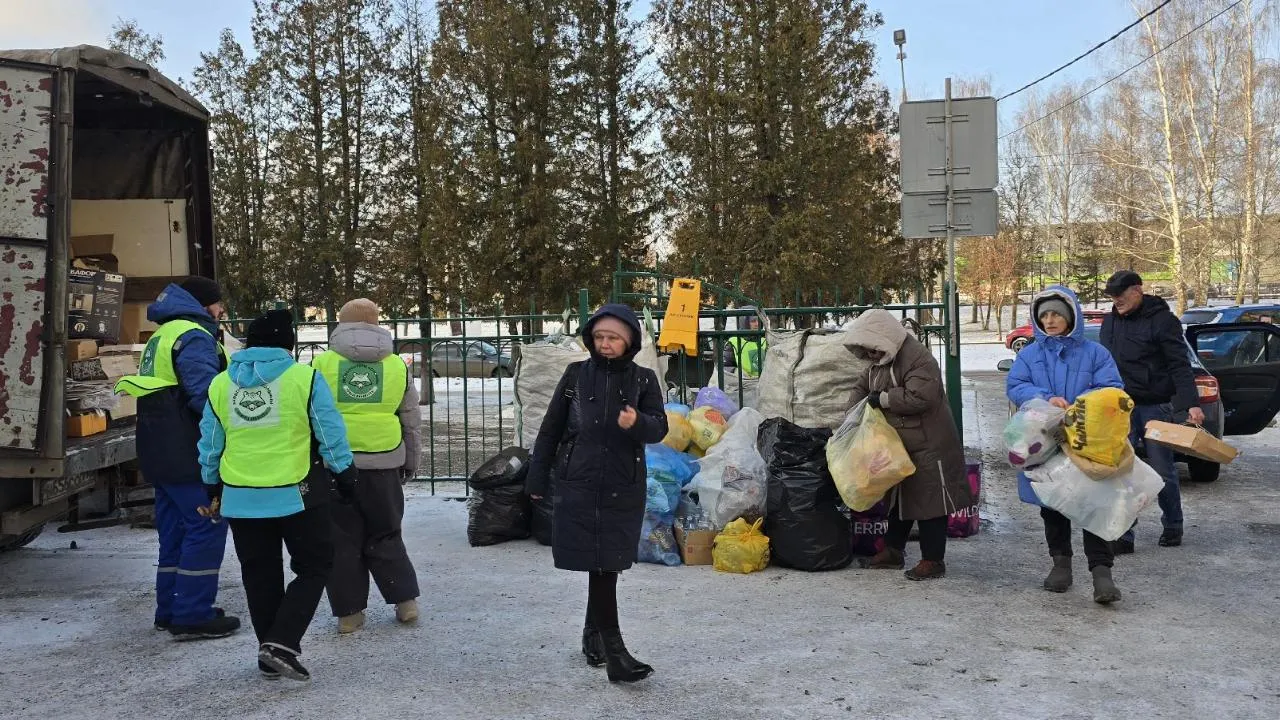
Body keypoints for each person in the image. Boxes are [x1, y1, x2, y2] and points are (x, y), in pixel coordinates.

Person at [198, 309, 357, 682]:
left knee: (259, 574)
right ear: (289, 343)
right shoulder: (305, 378)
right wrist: (345, 474)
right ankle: (281, 644)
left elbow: (210, 443)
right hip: (296, 494)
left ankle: (267, 652)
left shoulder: (221, 384)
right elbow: (328, 432)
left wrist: (211, 485)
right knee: (314, 565)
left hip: (240, 495)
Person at [525, 304, 668, 683]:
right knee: (600, 564)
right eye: (599, 337)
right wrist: (537, 477)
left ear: (630, 342)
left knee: (607, 563)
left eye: (614, 338)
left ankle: (594, 635)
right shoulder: (575, 376)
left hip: (623, 484)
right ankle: (614, 650)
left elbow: (660, 429)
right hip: (580, 483)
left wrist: (638, 422)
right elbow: (551, 428)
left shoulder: (644, 380)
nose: (605, 344)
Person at [115, 276, 240, 641]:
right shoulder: (194, 336)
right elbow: (205, 396)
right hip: (188, 453)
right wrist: (228, 436)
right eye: (218, 304)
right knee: (207, 524)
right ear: (204, 304)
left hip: (159, 450)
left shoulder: (162, 335)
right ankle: (193, 614)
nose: (221, 311)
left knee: (175, 532)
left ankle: (170, 609)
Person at [1006, 286, 1126, 603]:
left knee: (1094, 505)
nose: (1049, 320)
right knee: (1053, 504)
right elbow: (1016, 385)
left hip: (1089, 440)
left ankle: (1102, 574)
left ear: (1070, 316)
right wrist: (1045, 399)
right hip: (1044, 440)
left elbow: (1112, 388)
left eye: (1056, 314)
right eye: (1044, 315)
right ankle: (1061, 565)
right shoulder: (1029, 354)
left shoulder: (1095, 353)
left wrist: (1081, 406)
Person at [311, 299, 422, 633]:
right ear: (376, 325)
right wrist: (410, 460)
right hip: (385, 459)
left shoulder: (321, 364)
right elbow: (411, 419)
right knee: (387, 532)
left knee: (340, 539)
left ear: (342, 325)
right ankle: (405, 603)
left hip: (336, 463)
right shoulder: (396, 366)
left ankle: (349, 614)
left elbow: (310, 414)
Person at [844, 308, 971, 581]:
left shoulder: (917, 358)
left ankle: (933, 559)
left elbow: (920, 396)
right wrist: (853, 411)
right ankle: (893, 550)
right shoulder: (878, 360)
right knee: (900, 499)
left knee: (930, 501)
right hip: (899, 442)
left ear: (884, 339)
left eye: (872, 349)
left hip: (929, 441)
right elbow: (862, 385)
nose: (870, 355)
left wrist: (885, 399)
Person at [1100, 271, 1203, 551]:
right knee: (1121, 470)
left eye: (1120, 294)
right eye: (1111, 295)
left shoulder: (1162, 321)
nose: (1115, 300)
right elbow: (1103, 363)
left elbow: (1178, 364)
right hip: (1120, 407)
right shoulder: (1109, 322)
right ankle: (1124, 534)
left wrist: (1191, 403)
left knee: (1161, 470)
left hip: (1155, 405)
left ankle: (1172, 525)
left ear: (1137, 291)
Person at [722, 306, 767, 378]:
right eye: (753, 321)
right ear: (744, 322)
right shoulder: (734, 342)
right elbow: (724, 366)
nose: (757, 324)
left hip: (764, 382)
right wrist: (735, 371)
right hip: (742, 383)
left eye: (759, 320)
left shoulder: (765, 341)